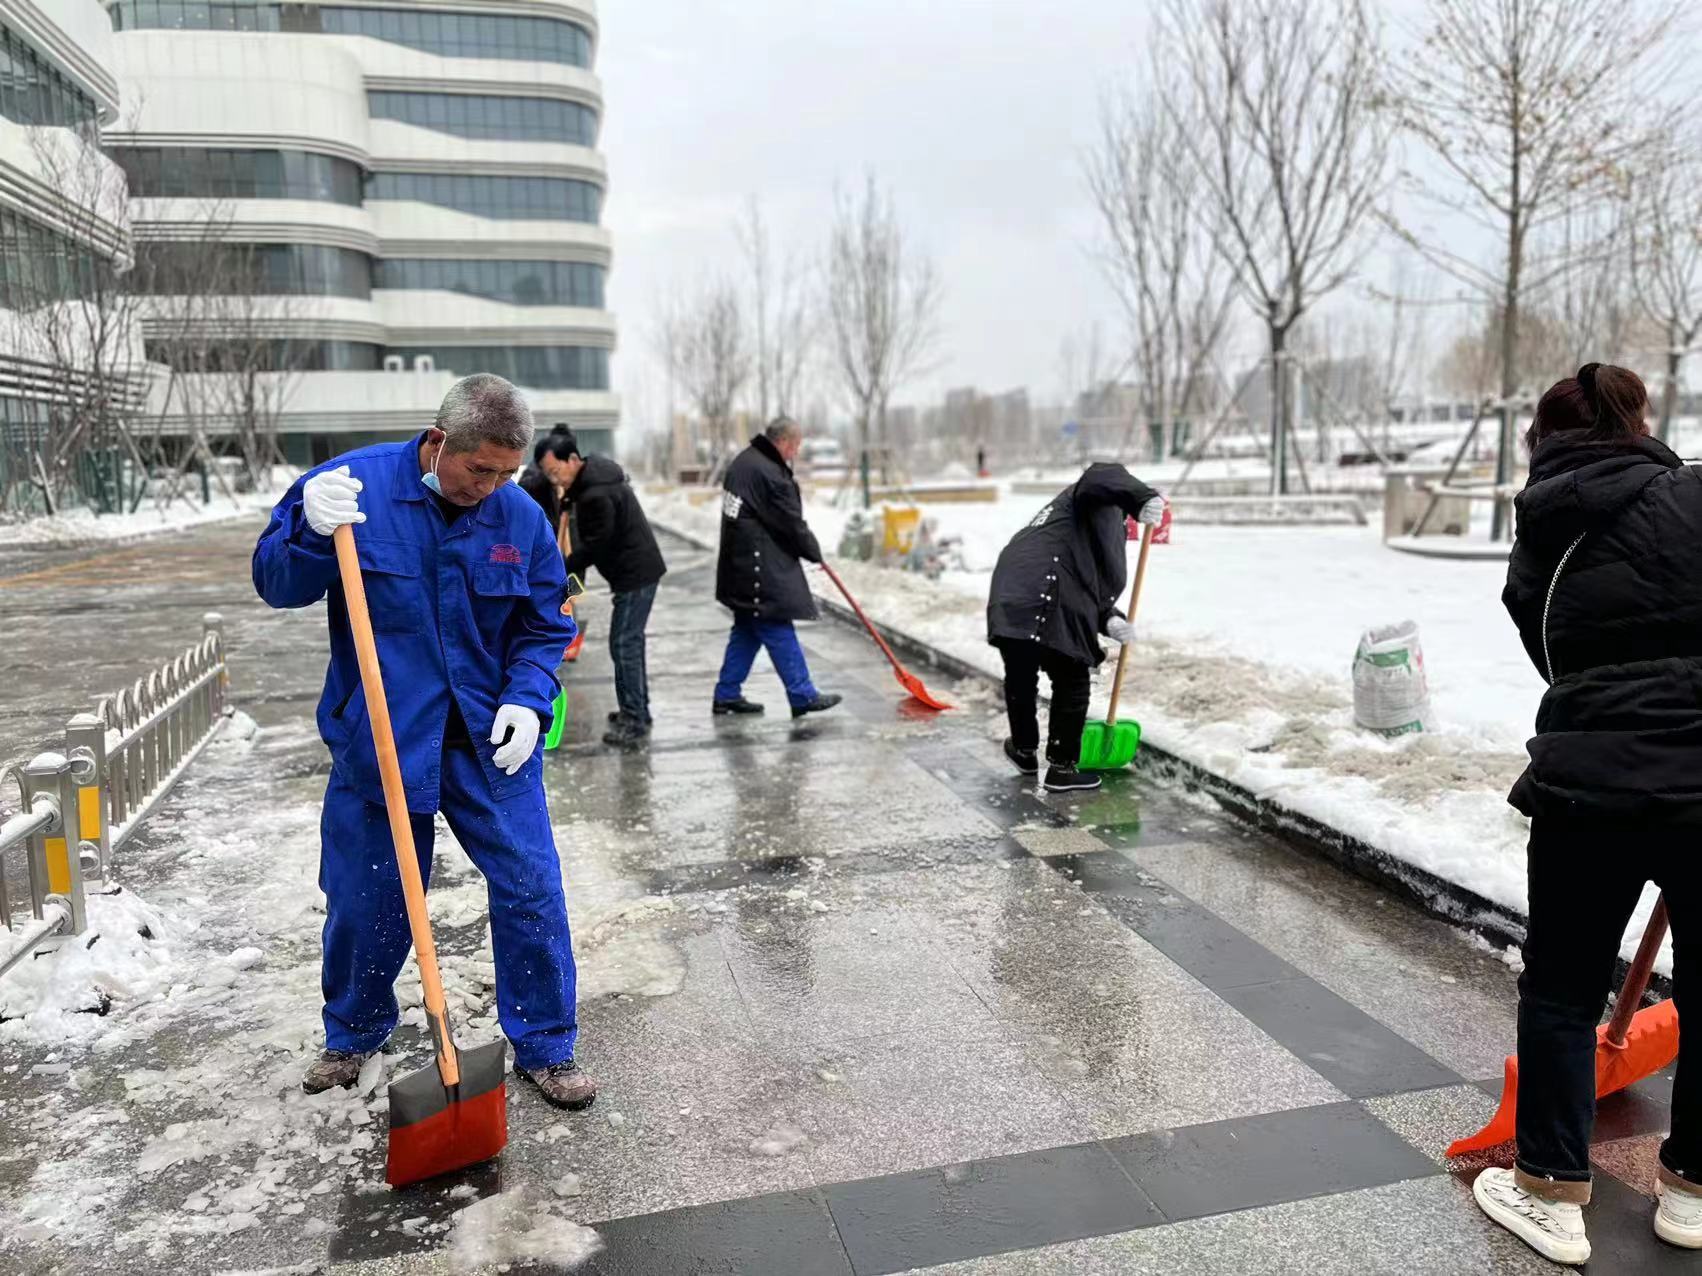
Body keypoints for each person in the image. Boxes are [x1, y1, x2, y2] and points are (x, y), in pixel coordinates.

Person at [252, 374, 597, 1112]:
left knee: (532, 888)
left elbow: (546, 622)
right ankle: (353, 1034)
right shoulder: (352, 489)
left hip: (488, 740)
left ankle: (547, 1043)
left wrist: (529, 698)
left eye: (508, 473)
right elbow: (277, 584)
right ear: (439, 442)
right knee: (365, 896)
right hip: (382, 737)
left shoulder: (519, 517)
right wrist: (307, 528)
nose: (492, 487)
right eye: (481, 470)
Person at [1482, 362, 1702, 1264]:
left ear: (1542, 439)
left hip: (1586, 785)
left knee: (1563, 991)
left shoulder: (1541, 528)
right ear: (1639, 420)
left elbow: (1554, 655)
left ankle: (1549, 1189)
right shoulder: (1697, 496)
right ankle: (1692, 1192)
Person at [987, 462, 1163, 793]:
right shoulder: (1091, 494)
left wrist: (1110, 619)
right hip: (1045, 588)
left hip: (1010, 594)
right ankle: (1062, 768)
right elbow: (1101, 472)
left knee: (1021, 673)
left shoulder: (1065, 520)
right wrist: (1142, 497)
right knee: (1071, 677)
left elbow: (1085, 585)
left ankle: (1024, 750)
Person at [539, 428, 668, 748]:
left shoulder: (596, 493)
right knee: (629, 643)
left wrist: (563, 568)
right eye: (549, 475)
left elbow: (597, 544)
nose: (555, 480)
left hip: (635, 575)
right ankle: (637, 709)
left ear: (572, 460)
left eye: (555, 472)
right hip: (635, 572)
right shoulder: (592, 480)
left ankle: (634, 719)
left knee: (624, 645)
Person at [713, 417, 841, 719]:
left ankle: (727, 693)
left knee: (747, 628)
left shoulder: (745, 461)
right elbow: (791, 523)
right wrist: (813, 552)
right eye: (795, 446)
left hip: (738, 561)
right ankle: (802, 694)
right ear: (782, 441)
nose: (795, 452)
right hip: (757, 565)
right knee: (775, 623)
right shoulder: (769, 473)